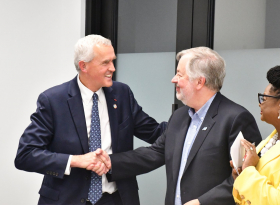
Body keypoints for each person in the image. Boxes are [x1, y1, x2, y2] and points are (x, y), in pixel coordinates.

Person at [94, 47, 263, 205]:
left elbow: (246, 176)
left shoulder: (236, 118)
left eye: (179, 75)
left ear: (199, 82)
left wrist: (202, 202)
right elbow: (156, 152)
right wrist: (109, 162)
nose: (173, 79)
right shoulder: (179, 116)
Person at [14, 34, 167, 205]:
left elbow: (155, 132)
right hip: (68, 200)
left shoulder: (122, 94)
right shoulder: (53, 100)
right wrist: (76, 160)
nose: (113, 68)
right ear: (83, 66)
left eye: (112, 61)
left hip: (117, 199)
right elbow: (26, 155)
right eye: (105, 63)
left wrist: (190, 119)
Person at [231, 65, 280, 205]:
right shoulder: (270, 140)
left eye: (263, 99)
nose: (260, 104)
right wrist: (240, 176)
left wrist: (248, 171)